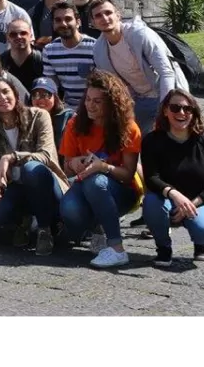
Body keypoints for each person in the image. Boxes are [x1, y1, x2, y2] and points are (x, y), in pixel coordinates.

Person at [0, 77, 67, 255]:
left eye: (5, 92)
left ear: (15, 94)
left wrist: (12, 157)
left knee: (31, 169)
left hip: (47, 185)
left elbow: (46, 156)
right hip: (16, 188)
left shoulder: (39, 116)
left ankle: (44, 230)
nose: (2, 98)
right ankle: (22, 223)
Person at [58, 72, 144, 269]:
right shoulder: (74, 124)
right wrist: (75, 163)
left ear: (112, 104)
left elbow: (128, 174)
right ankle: (97, 227)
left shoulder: (129, 128)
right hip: (83, 184)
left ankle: (117, 248)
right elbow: (66, 168)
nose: (90, 105)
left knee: (96, 181)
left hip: (121, 191)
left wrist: (104, 167)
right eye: (88, 99)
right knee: (69, 209)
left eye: (97, 101)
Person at [141, 89, 204, 266]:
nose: (181, 113)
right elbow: (151, 178)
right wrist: (174, 194)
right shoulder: (151, 141)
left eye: (187, 109)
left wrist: (192, 204)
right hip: (166, 200)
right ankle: (163, 247)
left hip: (199, 202)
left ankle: (201, 244)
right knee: (151, 202)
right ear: (165, 110)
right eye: (175, 108)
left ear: (194, 112)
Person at [88, 0, 186, 131]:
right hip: (139, 99)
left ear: (118, 15)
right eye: (98, 16)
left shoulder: (140, 34)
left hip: (167, 91)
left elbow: (166, 72)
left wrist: (166, 108)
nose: (104, 18)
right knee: (138, 141)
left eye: (108, 13)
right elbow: (116, 86)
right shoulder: (99, 50)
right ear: (93, 22)